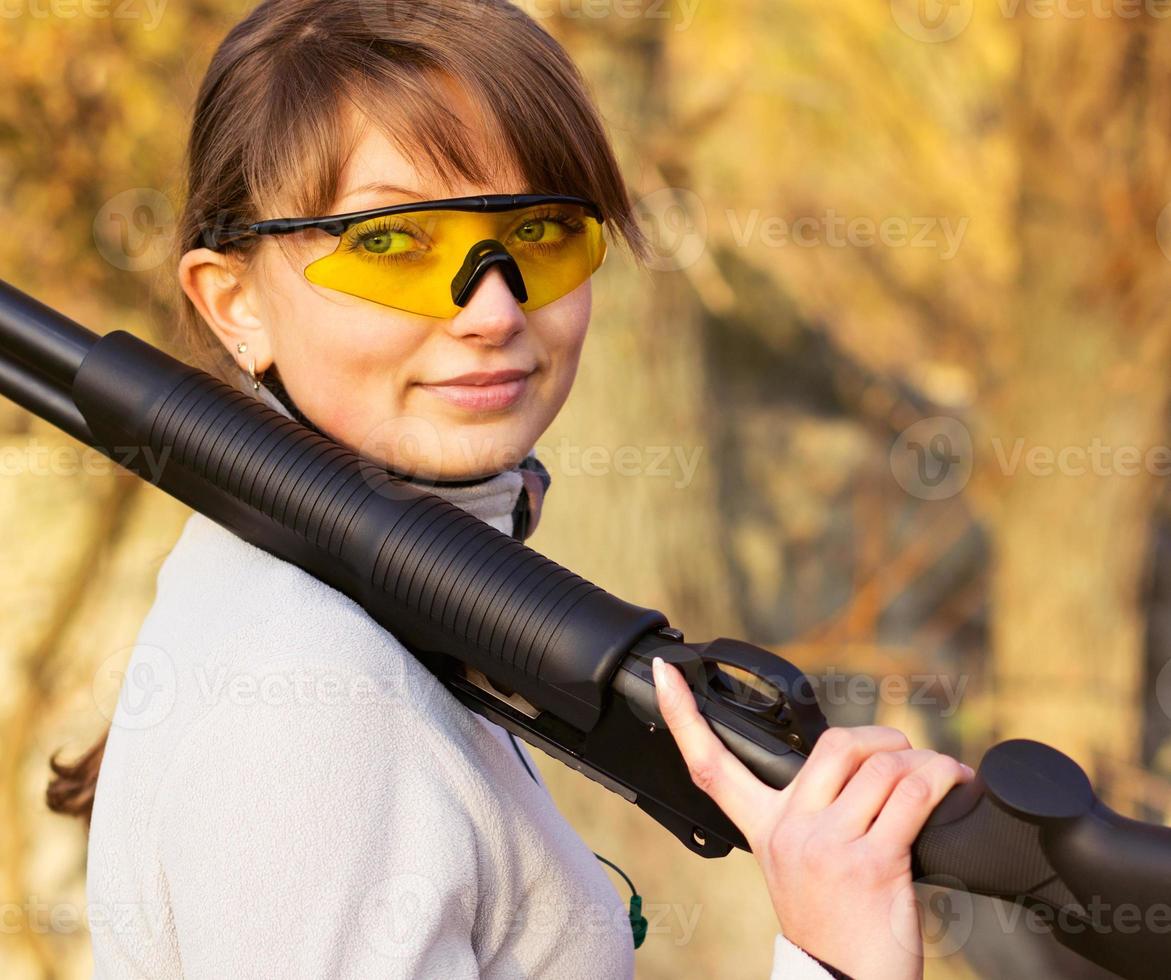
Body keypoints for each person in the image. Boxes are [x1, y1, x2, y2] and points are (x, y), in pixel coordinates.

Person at [46, 1, 973, 976]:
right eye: (394, 241)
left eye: (537, 230)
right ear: (234, 303)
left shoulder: (342, 602)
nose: (493, 308)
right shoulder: (311, 698)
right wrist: (833, 959)